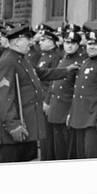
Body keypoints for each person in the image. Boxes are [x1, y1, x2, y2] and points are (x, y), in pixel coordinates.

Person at [0, 25, 45, 163]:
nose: (32, 42)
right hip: (14, 131)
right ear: (16, 42)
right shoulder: (8, 61)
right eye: (28, 39)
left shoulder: (21, 58)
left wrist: (66, 71)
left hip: (26, 126)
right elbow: (3, 98)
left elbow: (39, 74)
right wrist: (13, 125)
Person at [67, 31, 97, 158]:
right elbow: (77, 92)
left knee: (90, 155)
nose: (91, 47)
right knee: (79, 155)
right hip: (79, 117)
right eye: (89, 44)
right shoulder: (85, 62)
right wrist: (71, 113)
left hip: (93, 119)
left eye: (95, 44)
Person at [44, 31, 87, 160]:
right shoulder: (63, 58)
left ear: (78, 45)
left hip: (67, 106)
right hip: (55, 105)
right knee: (55, 143)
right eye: (67, 42)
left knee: (65, 145)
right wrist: (47, 100)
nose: (69, 46)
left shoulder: (80, 62)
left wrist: (71, 112)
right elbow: (54, 82)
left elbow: (78, 90)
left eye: (73, 43)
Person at [34, 28, 63, 160]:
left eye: (43, 40)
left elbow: (54, 80)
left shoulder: (56, 57)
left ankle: (48, 158)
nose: (40, 42)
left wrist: (48, 100)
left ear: (52, 42)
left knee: (48, 131)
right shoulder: (44, 55)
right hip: (40, 94)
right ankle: (44, 156)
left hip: (48, 96)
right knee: (42, 130)